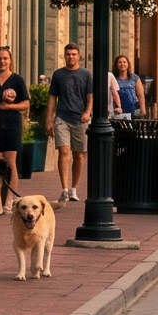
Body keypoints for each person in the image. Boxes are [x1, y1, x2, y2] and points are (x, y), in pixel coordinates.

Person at [48, 45, 94, 203]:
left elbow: (90, 96)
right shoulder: (58, 74)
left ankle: (74, 188)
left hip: (80, 118)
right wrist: (49, 119)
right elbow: (52, 98)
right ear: (64, 56)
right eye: (68, 54)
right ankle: (64, 189)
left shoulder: (86, 74)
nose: (71, 57)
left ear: (79, 56)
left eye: (74, 54)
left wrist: (87, 112)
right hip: (62, 117)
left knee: (79, 154)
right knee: (64, 150)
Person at [0, 47, 32, 183]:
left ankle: (10, 199)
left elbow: (26, 104)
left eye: (5, 58)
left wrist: (9, 106)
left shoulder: (17, 80)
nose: (2, 61)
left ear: (10, 61)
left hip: (12, 125)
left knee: (10, 162)